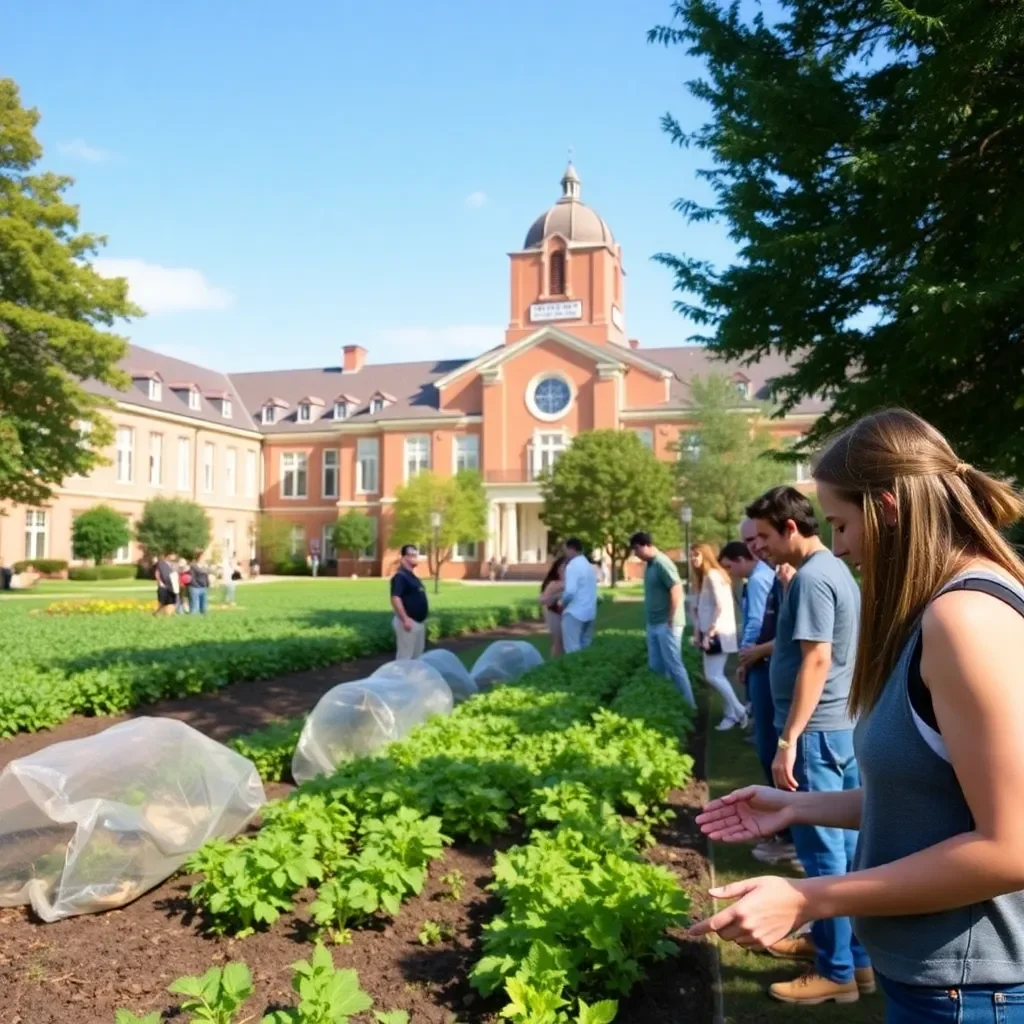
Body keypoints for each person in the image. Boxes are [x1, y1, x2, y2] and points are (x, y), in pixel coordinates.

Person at [695, 412, 1024, 1019]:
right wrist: (800, 806)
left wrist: (808, 897)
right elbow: (934, 798)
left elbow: (1012, 847)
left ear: (889, 508)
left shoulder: (965, 619)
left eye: (843, 523)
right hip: (940, 980)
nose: (839, 545)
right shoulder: (947, 608)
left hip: (973, 991)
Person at [700, 484, 867, 1005]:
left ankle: (837, 972)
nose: (759, 547)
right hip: (838, 727)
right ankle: (853, 960)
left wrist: (788, 739)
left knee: (823, 859)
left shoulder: (814, 578)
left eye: (766, 537)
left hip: (816, 733)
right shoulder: (829, 572)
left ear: (792, 528)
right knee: (843, 852)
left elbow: (817, 660)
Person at [731, 521, 800, 868]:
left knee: (784, 762)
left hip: (784, 682)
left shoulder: (791, 578)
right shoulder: (772, 576)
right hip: (768, 671)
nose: (754, 547)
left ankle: (790, 837)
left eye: (759, 538)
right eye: (748, 541)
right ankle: (786, 833)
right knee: (768, 751)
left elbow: (802, 643)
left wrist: (755, 652)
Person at [630, 531, 695, 708]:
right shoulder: (650, 565)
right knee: (656, 667)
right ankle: (666, 702)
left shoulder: (661, 563)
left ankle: (690, 706)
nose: (635, 554)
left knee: (674, 666)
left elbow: (676, 589)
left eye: (636, 549)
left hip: (667, 624)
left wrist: (670, 618)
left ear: (645, 545)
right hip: (654, 624)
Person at [691, 543, 747, 729]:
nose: (693, 559)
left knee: (713, 676)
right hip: (712, 633)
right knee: (716, 675)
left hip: (718, 634)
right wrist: (699, 632)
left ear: (706, 556)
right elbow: (701, 608)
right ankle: (731, 713)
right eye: (691, 556)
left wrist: (709, 632)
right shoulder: (706, 577)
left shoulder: (713, 576)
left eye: (697, 555)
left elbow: (720, 605)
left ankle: (738, 710)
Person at [391, 544, 429, 659]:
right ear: (403, 558)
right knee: (405, 658)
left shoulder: (412, 577)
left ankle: (413, 677)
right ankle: (400, 677)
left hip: (418, 623)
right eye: (411, 555)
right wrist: (405, 619)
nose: (414, 557)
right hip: (408, 623)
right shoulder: (400, 577)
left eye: (415, 555)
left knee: (416, 658)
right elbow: (395, 598)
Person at [560, 537, 598, 653]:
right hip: (590, 612)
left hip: (575, 613)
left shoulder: (572, 566)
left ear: (571, 549)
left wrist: (562, 602)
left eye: (565, 549)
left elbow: (570, 592)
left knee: (572, 649)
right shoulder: (588, 565)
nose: (564, 553)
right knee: (585, 647)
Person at [538, 555, 566, 658]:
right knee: (558, 641)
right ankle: (555, 663)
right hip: (554, 613)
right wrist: (556, 596)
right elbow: (542, 599)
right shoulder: (554, 584)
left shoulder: (575, 583)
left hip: (569, 614)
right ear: (558, 570)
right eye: (563, 568)